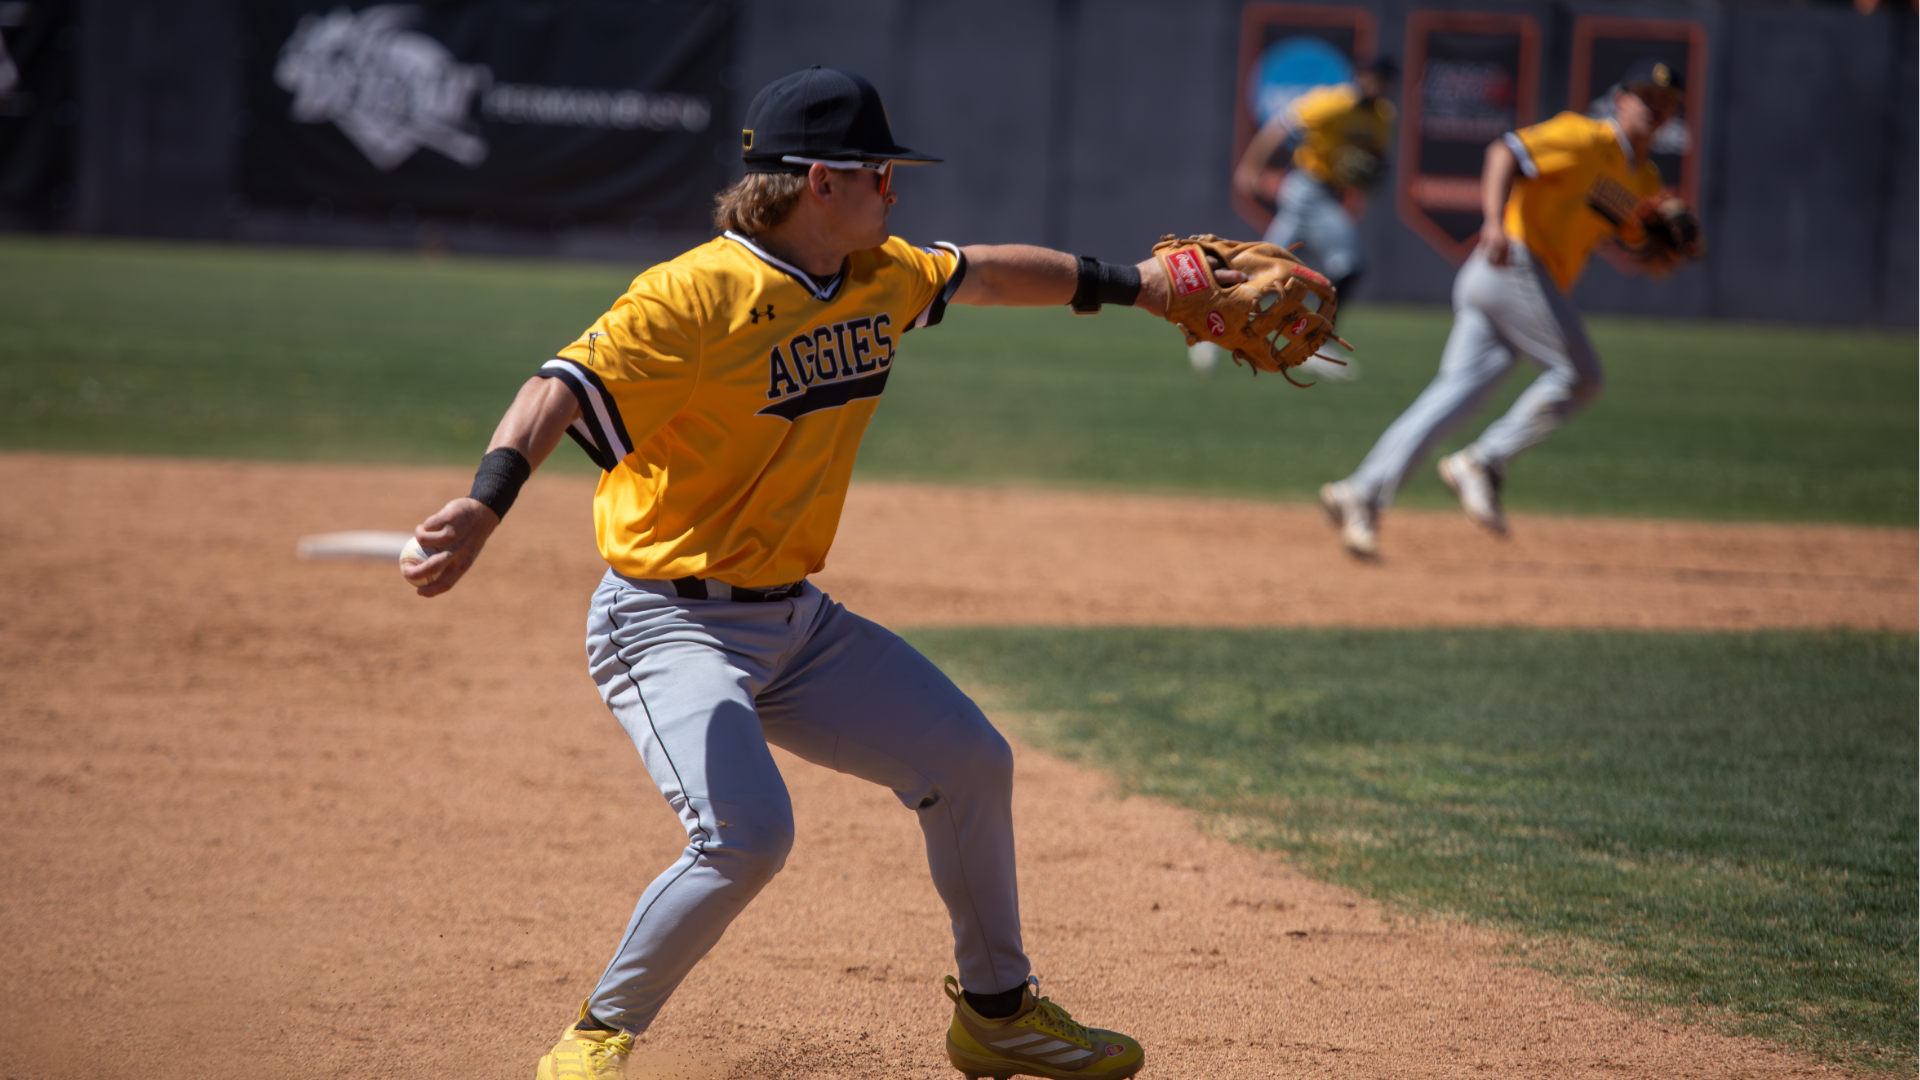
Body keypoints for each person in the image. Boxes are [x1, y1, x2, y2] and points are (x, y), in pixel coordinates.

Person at [403, 66, 1198, 1080]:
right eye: (880, 173)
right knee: (745, 839)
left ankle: (997, 1014)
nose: (895, 191)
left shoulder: (881, 273)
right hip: (665, 620)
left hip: (798, 626)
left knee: (969, 761)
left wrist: (1138, 285)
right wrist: (486, 501)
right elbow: (560, 385)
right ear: (821, 181)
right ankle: (594, 1040)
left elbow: (989, 272)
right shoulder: (694, 296)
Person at [1317, 57, 1683, 557]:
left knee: (1449, 400)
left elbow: (1638, 245)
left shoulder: (1643, 180)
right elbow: (1504, 151)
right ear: (1621, 100)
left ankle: (1361, 494)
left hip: (1510, 284)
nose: (1656, 108)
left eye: (1666, 103)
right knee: (1581, 376)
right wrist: (1492, 219)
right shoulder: (1584, 136)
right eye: (1647, 98)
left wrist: (1658, 252)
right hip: (1514, 262)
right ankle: (1485, 461)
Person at [1233, 53, 1398, 300]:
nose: (1379, 84)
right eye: (1374, 77)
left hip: (1328, 192)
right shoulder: (1332, 103)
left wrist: (1375, 169)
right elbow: (1279, 126)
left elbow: (1378, 154)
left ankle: (1216, 331)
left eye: (1385, 80)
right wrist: (1250, 167)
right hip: (1306, 188)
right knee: (1349, 264)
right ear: (1360, 76)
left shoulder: (1383, 115)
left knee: (1265, 268)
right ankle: (1321, 332)